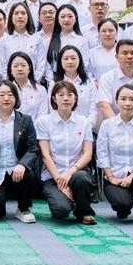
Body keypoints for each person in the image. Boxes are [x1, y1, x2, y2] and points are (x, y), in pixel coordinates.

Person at [0, 80, 39, 222]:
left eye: (10, 94)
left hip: (18, 172)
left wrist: (22, 164)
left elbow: (33, 148)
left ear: (16, 98)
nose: (6, 98)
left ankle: (23, 208)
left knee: (29, 175)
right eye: (1, 94)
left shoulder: (25, 120)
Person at [36, 81, 96, 224]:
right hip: (52, 175)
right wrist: (59, 180)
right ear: (54, 98)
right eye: (61, 95)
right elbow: (45, 155)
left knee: (82, 178)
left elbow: (87, 154)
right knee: (61, 211)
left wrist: (70, 172)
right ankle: (70, 200)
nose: (66, 98)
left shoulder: (84, 122)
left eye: (70, 95)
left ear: (75, 99)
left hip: (76, 172)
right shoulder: (44, 122)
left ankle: (84, 212)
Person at [97, 84, 133, 220]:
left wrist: (132, 176)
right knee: (122, 205)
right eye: (123, 99)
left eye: (132, 99)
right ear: (116, 101)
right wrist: (111, 177)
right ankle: (125, 204)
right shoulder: (107, 125)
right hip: (114, 177)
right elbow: (102, 153)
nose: (128, 103)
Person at [51, 45, 97, 129]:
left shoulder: (89, 82)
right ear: (60, 61)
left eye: (73, 58)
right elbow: (52, 108)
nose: (70, 61)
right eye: (66, 59)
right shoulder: (54, 83)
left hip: (85, 128)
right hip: (60, 129)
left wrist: (86, 128)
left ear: (80, 60)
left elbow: (94, 109)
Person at [0, 2, 46, 82]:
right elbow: (3, 66)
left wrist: (32, 82)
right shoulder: (4, 40)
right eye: (16, 13)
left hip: (33, 84)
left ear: (28, 16)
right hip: (11, 85)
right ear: (11, 17)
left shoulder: (37, 39)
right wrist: (10, 84)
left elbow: (41, 64)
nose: (20, 16)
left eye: (23, 13)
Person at [45, 4, 90, 82]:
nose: (66, 20)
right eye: (62, 17)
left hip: (76, 82)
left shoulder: (82, 41)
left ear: (75, 19)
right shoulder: (49, 41)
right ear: (57, 20)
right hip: (56, 82)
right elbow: (47, 65)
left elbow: (85, 65)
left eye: (70, 16)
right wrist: (53, 82)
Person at [96, 39, 133, 119]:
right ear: (116, 57)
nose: (129, 56)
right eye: (125, 53)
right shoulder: (107, 78)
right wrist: (117, 124)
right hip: (114, 123)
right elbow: (104, 105)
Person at [7, 52, 49, 122]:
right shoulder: (5, 90)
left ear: (30, 68)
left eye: (23, 65)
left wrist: (30, 128)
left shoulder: (40, 90)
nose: (20, 69)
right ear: (10, 70)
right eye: (15, 66)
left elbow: (42, 116)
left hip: (35, 128)